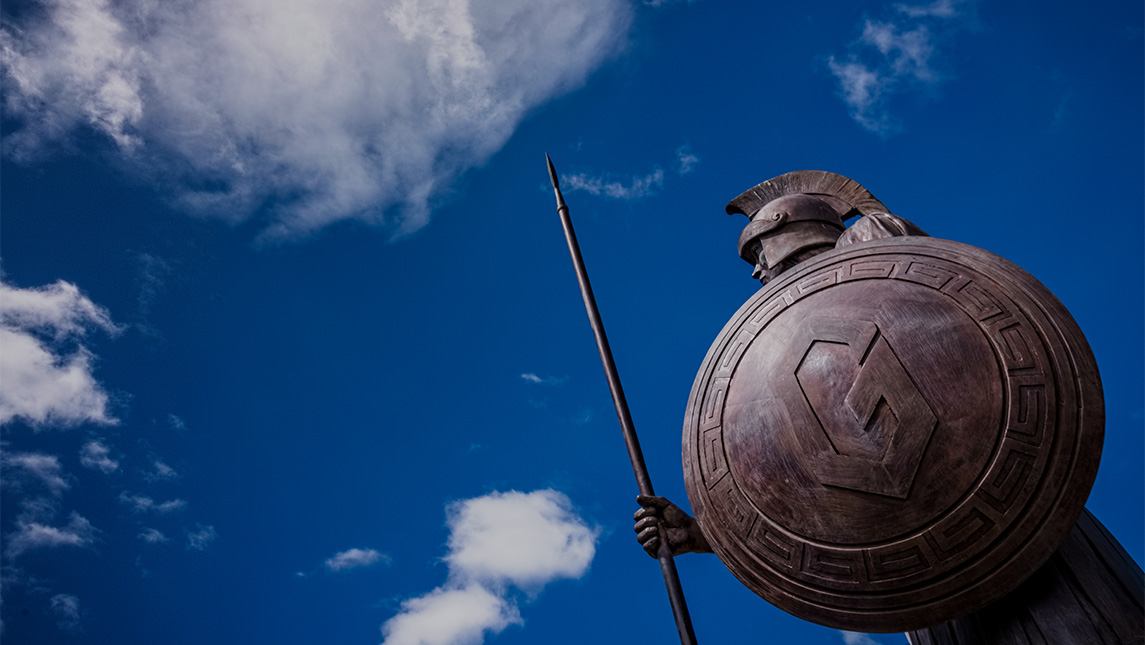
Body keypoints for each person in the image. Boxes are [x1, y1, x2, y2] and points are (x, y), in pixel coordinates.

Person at [634, 176, 926, 559]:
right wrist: (706, 534)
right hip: (923, 580)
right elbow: (834, 495)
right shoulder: (808, 362)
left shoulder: (868, 238)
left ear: (794, 233)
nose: (757, 273)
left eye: (760, 256)